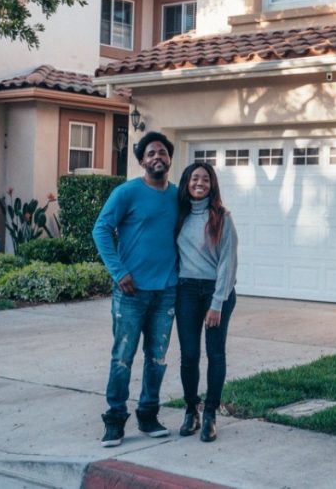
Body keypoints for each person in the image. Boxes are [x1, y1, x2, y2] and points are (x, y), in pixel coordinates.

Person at [92, 131, 179, 447]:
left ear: (169, 158)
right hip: (130, 292)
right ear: (142, 161)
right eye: (151, 153)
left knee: (157, 358)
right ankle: (114, 421)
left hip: (167, 291)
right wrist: (118, 272)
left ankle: (148, 415)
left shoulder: (177, 196)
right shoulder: (126, 193)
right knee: (122, 357)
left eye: (162, 153)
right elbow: (100, 229)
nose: (157, 157)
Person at [174, 162, 239, 443]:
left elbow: (228, 262)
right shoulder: (179, 215)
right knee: (189, 355)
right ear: (186, 182)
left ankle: (211, 413)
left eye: (205, 179)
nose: (199, 183)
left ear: (212, 185)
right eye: (194, 178)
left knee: (216, 353)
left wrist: (217, 303)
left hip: (217, 291)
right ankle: (192, 410)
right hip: (186, 290)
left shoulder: (222, 217)